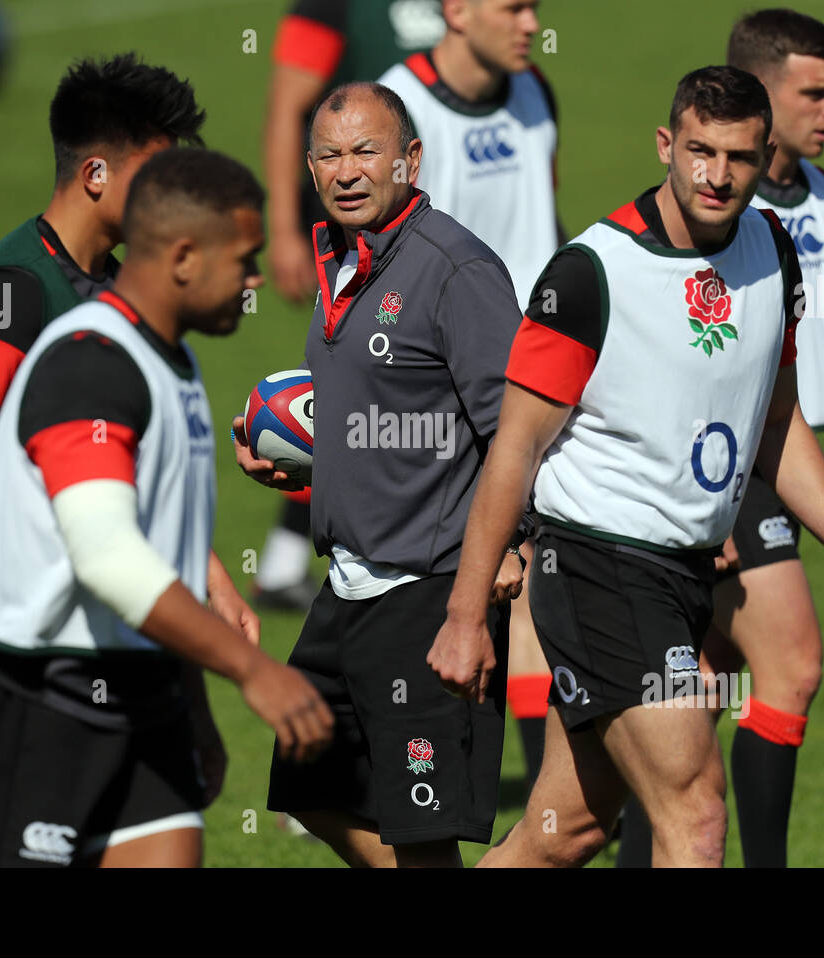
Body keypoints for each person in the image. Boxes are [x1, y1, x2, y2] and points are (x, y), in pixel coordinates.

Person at [428, 66, 824, 868]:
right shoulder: (591, 273)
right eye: (699, 151)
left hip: (683, 575)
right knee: (695, 815)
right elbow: (514, 447)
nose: (717, 176)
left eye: (739, 158)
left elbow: (776, 425)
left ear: (765, 159)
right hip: (600, 569)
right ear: (666, 146)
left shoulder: (773, 251)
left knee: (567, 831)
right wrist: (467, 614)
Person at [0, 147, 334, 868]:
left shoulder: (171, 361)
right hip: (34, 697)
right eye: (242, 262)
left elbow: (162, 558)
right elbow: (108, 556)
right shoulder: (91, 362)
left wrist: (195, 717)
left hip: (141, 696)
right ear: (183, 256)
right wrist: (253, 670)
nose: (252, 282)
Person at [615, 9, 824, 868]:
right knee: (793, 666)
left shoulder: (820, 200)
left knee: (688, 697)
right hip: (731, 470)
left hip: (783, 453)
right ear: (760, 96)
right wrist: (711, 503)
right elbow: (675, 358)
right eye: (818, 91)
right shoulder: (720, 208)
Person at [234, 82, 529, 867]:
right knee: (310, 784)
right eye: (329, 156)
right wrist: (294, 464)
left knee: (421, 833)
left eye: (367, 151)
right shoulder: (337, 258)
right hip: (348, 586)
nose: (348, 171)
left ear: (410, 159)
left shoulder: (455, 269)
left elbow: (517, 431)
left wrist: (513, 548)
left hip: (428, 591)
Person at [0, 53, 206, 674]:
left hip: (84, 596)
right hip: (9, 601)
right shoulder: (12, 290)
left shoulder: (122, 293)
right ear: (95, 173)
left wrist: (216, 590)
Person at [378, 0, 560, 784]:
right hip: (435, 381)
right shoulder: (399, 105)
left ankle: (551, 788)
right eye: (513, 6)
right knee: (411, 578)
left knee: (535, 574)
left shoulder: (535, 92)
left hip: (539, 375)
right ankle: (358, 754)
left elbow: (543, 220)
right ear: (455, 9)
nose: (531, 23)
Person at [254, 0, 446, 611]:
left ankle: (292, 558)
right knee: (366, 389)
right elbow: (289, 105)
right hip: (360, 231)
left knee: (382, 391)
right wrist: (283, 227)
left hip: (429, 224)